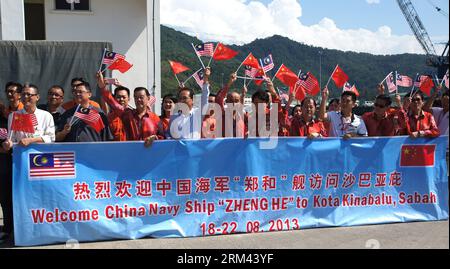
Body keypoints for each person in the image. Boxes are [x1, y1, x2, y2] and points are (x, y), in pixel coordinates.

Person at [97, 72, 161, 146]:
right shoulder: (127, 114)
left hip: (150, 154)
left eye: (141, 97)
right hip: (130, 153)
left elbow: (163, 137)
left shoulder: (155, 118)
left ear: (148, 98)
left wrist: (155, 138)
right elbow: (112, 102)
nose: (138, 100)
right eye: (136, 97)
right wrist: (102, 87)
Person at [169, 68, 210, 140]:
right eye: (180, 98)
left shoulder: (198, 113)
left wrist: (206, 80)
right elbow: (170, 135)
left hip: (195, 150)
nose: (182, 100)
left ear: (192, 100)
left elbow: (204, 98)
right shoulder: (174, 117)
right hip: (180, 150)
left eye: (185, 98)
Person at [216, 72, 246, 138]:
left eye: (236, 101)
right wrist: (229, 83)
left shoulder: (243, 116)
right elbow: (219, 99)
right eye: (231, 101)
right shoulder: (222, 114)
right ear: (226, 102)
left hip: (240, 147)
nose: (234, 104)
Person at [0, 113, 13, 242]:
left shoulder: (5, 121)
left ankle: (11, 229)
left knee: (9, 199)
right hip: (3, 164)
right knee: (4, 199)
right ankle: (7, 229)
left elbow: (7, 146)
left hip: (8, 165)